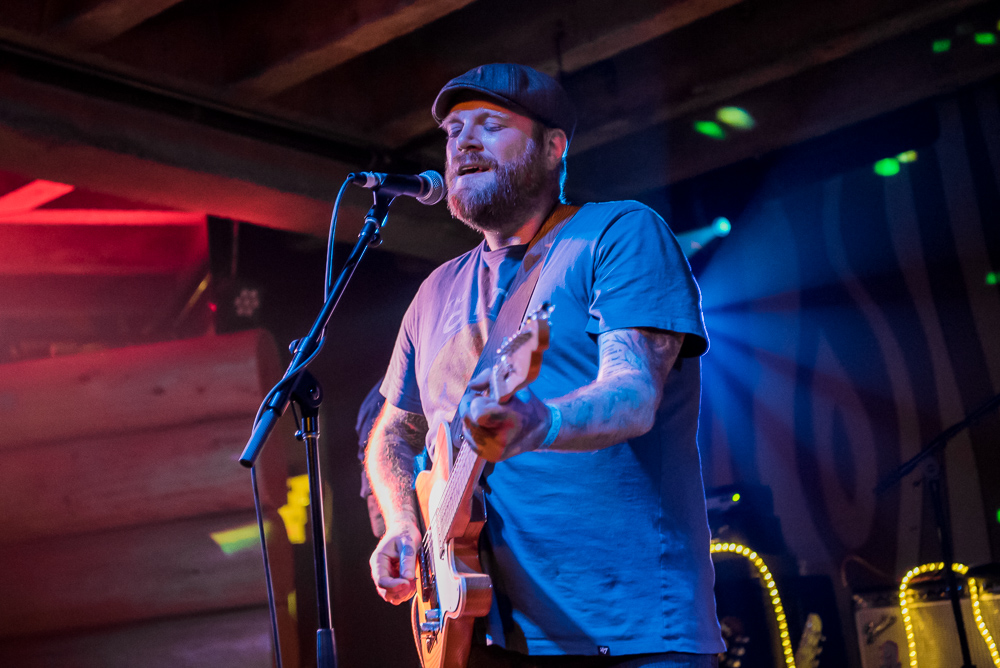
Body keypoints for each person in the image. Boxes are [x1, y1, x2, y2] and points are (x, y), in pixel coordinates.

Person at [365, 63, 724, 667]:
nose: (463, 142)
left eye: (490, 125)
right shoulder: (432, 293)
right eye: (453, 131)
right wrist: (402, 525)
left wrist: (541, 422)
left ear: (553, 147)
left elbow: (633, 392)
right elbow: (391, 433)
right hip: (491, 632)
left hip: (633, 629)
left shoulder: (617, 234)